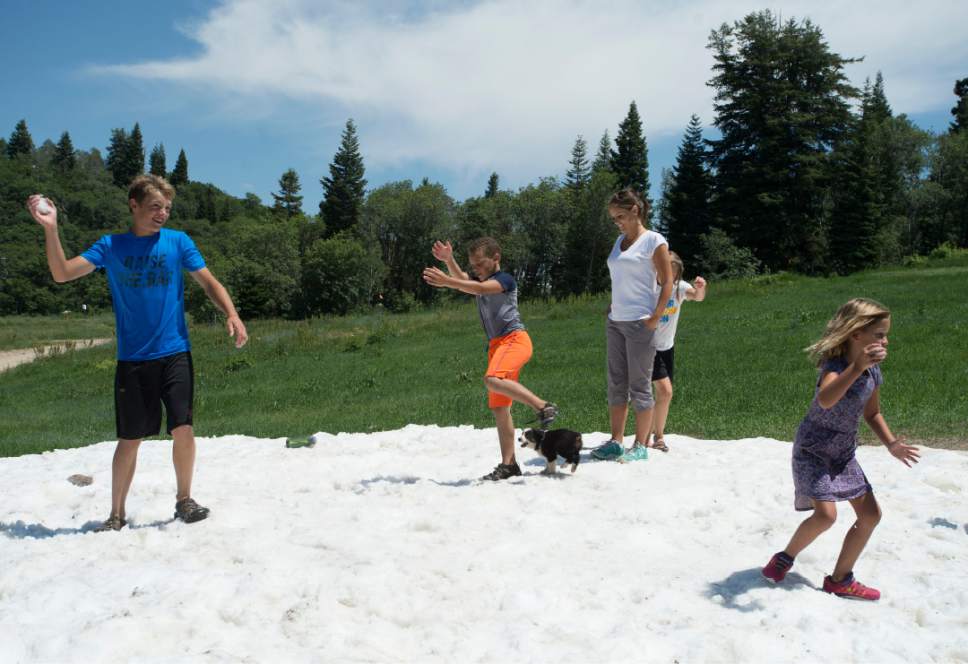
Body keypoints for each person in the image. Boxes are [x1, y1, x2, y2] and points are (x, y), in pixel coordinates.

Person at [26, 175, 248, 532]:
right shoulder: (111, 246)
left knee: (183, 428)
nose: (162, 214)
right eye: (155, 207)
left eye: (167, 208)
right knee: (130, 439)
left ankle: (184, 500)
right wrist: (51, 229)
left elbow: (208, 282)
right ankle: (116, 514)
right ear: (134, 205)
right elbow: (62, 273)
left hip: (175, 351)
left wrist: (232, 314)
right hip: (133, 359)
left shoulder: (178, 242)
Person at [761, 298, 919, 600]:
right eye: (879, 334)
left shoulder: (873, 373)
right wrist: (857, 367)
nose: (885, 341)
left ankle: (840, 579)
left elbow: (872, 413)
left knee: (871, 515)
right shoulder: (835, 366)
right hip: (813, 449)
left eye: (886, 335)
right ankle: (784, 558)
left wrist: (892, 444)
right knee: (826, 516)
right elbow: (826, 399)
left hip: (843, 452)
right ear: (856, 334)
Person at [423, 237, 558, 480]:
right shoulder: (479, 280)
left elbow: (478, 288)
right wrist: (448, 260)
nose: (475, 269)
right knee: (500, 407)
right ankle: (509, 464)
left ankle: (543, 406)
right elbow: (467, 282)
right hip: (497, 346)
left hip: (514, 340)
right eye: (472, 265)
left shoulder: (504, 280)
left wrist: (446, 282)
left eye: (479, 264)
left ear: (496, 258)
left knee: (492, 378)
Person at [591, 188, 673, 463]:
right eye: (614, 218)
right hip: (616, 321)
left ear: (635, 211)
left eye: (621, 216)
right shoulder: (619, 242)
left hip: (640, 322)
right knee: (616, 383)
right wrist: (613, 306)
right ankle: (616, 440)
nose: (618, 222)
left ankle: (640, 444)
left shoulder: (654, 241)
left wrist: (656, 316)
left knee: (639, 384)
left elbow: (668, 282)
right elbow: (620, 277)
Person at [647, 251, 707, 452]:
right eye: (665, 272)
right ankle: (653, 436)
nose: (668, 279)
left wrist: (701, 288)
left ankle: (656, 436)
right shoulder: (648, 288)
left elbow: (698, 298)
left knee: (661, 395)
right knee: (665, 391)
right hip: (647, 348)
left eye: (673, 275)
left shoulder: (679, 288)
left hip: (667, 348)